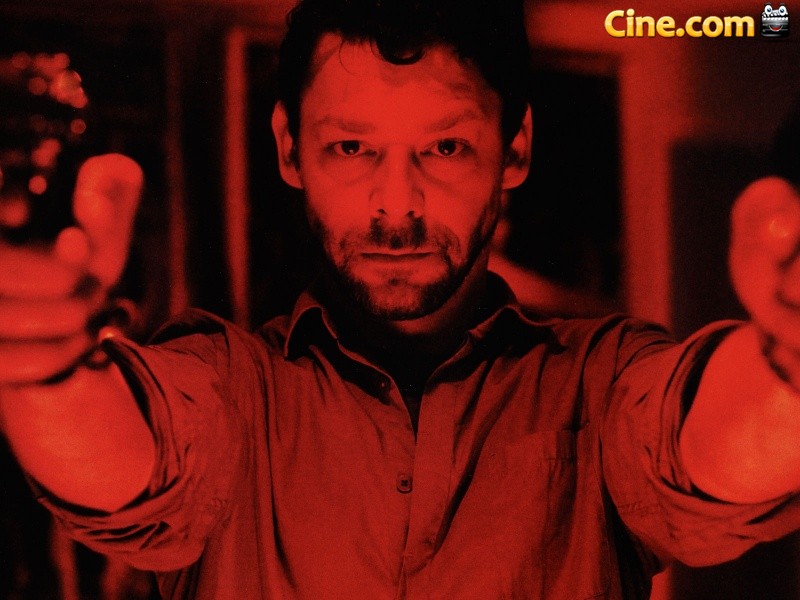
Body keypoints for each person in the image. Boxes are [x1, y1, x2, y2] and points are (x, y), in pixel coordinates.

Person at [2, 0, 800, 598]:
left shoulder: (600, 383)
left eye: (445, 147)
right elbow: (127, 458)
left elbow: (699, 443)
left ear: (515, 147)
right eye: (351, 147)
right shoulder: (231, 390)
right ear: (289, 148)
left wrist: (787, 366)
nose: (396, 205)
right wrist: (42, 368)